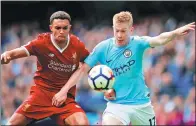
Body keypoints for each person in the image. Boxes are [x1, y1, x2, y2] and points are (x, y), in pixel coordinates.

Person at [57, 11, 195, 125]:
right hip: (117, 105)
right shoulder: (103, 48)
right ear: (113, 28)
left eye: (123, 31)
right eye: (116, 31)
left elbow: (159, 39)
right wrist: (64, 90)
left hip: (141, 105)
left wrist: (175, 33)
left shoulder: (138, 43)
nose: (119, 35)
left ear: (131, 29)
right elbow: (82, 70)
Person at [1, 11, 90, 125]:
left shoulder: (77, 45)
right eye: (57, 28)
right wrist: (7, 55)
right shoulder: (42, 42)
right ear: (51, 28)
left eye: (65, 28)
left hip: (65, 99)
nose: (61, 31)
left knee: (83, 123)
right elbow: (17, 52)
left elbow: (87, 65)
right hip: (41, 95)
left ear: (70, 28)